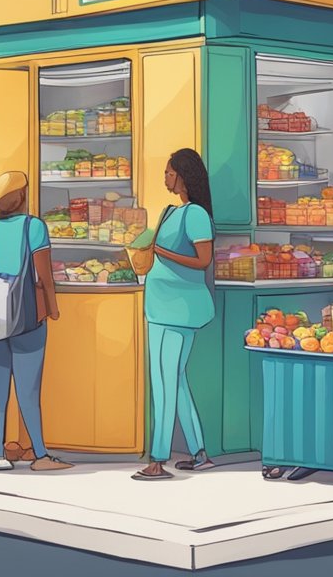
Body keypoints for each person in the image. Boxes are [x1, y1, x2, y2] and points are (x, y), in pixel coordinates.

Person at [0, 171, 72, 473]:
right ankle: (41, 456)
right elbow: (44, 276)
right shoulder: (34, 227)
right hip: (27, 314)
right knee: (28, 390)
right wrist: (54, 309)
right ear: (20, 195)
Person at [134, 149, 217, 481]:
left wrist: (160, 252)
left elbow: (203, 261)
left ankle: (157, 459)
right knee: (176, 380)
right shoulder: (171, 211)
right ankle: (199, 453)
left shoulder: (195, 214)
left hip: (177, 311)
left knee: (163, 382)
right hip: (161, 306)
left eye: (169, 173)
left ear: (184, 176)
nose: (165, 178)